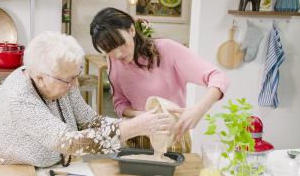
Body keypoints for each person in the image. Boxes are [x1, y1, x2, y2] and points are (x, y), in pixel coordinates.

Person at [0, 31, 172, 167]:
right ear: (40, 78)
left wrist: (135, 123)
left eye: (76, 76)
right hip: (11, 170)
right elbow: (68, 142)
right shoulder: (18, 97)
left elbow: (90, 121)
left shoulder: (63, 78)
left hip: (51, 167)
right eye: (69, 79)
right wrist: (133, 128)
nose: (75, 85)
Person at [90, 8, 230, 153]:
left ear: (131, 30)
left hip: (172, 140)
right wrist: (143, 117)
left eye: (122, 44)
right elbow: (120, 104)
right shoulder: (113, 61)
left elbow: (218, 77)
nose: (118, 54)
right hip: (135, 140)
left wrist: (198, 110)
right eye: (109, 50)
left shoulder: (166, 50)